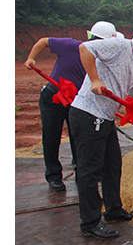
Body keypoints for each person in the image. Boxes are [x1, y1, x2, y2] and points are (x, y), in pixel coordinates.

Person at [69, 13, 133, 239]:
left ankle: (114, 210)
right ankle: (90, 223)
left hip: (105, 118)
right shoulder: (120, 45)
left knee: (113, 165)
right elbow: (86, 49)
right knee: (89, 171)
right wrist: (95, 80)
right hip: (88, 114)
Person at [24, 21, 118, 191]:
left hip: (77, 101)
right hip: (54, 97)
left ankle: (80, 172)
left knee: (79, 137)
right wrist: (32, 58)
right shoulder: (70, 46)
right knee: (51, 136)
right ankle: (53, 175)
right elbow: (44, 41)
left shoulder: (101, 60)